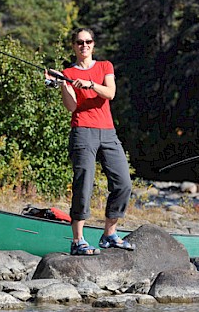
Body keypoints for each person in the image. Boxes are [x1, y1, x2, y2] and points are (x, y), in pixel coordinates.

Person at [46, 28, 134, 256]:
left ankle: (110, 234)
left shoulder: (105, 66)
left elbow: (110, 93)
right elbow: (71, 106)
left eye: (88, 41)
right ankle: (78, 240)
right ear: (73, 46)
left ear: (93, 44)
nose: (84, 45)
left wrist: (89, 84)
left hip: (108, 132)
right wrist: (65, 85)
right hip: (82, 131)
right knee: (84, 185)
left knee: (123, 183)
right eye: (79, 42)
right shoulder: (67, 72)